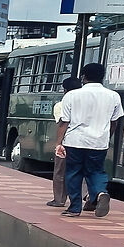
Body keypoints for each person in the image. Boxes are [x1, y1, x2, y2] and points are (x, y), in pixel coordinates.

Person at [56, 63, 122, 217]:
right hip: (99, 142)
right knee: (96, 171)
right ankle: (100, 193)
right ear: (102, 77)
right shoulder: (113, 96)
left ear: (83, 77)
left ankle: (74, 208)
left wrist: (58, 143)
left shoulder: (71, 95)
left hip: (74, 141)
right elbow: (115, 121)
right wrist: (107, 136)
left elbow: (64, 121)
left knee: (73, 173)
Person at [43, 75, 82, 207]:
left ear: (65, 90)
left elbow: (62, 124)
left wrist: (58, 143)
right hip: (88, 143)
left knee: (60, 171)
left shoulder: (61, 105)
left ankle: (59, 199)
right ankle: (86, 198)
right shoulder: (89, 103)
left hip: (68, 142)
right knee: (83, 171)